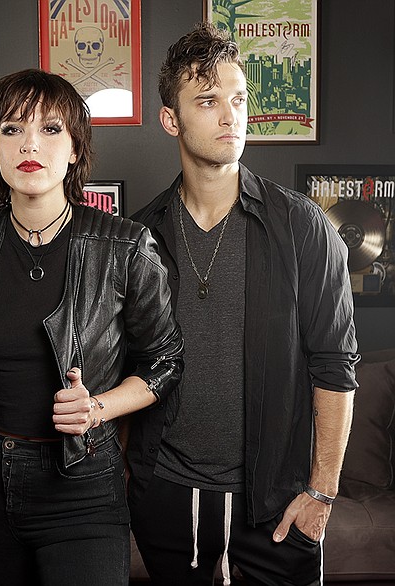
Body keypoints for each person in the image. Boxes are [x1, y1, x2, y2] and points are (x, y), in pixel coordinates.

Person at [129, 23, 358, 585]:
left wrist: (321, 493)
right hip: (167, 497)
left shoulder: (301, 225)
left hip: (277, 507)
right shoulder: (140, 237)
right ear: (170, 120)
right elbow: (123, 365)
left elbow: (335, 366)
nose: (230, 115)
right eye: (207, 101)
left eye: (238, 99)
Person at [0, 68, 184, 586]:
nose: (30, 143)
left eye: (50, 129)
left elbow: (165, 363)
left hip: (82, 483)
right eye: (11, 128)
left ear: (75, 150)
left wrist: (96, 408)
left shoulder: (125, 245)